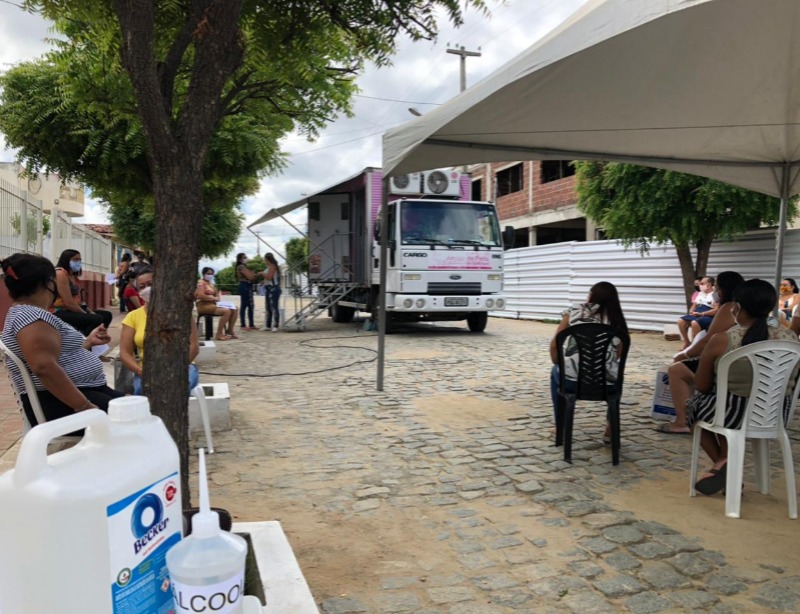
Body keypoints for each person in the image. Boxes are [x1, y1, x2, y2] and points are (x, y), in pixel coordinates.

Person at [688, 278, 800, 495]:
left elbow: (701, 385)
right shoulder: (791, 339)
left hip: (732, 414)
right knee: (721, 402)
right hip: (775, 413)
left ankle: (726, 464)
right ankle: (725, 464)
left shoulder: (723, 339)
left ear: (737, 307)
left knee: (694, 406)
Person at [0, 253, 124, 426]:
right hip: (63, 403)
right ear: (46, 283)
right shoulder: (32, 318)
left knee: (140, 407)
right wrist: (85, 407)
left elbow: (55, 354)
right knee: (140, 418)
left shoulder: (26, 313)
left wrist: (87, 342)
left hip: (79, 393)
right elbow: (44, 367)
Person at [660, 271, 745, 434]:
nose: (715, 291)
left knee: (676, 369)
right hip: (737, 361)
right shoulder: (744, 308)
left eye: (717, 287)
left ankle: (683, 421)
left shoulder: (729, 308)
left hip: (726, 364)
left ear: (724, 289)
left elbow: (708, 340)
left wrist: (684, 355)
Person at [548, 281, 628, 443]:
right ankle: (610, 428)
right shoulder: (617, 319)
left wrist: (558, 363)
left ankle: (560, 427)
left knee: (555, 372)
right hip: (606, 385)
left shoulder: (574, 311)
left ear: (591, 296)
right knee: (617, 375)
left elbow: (555, 344)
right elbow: (618, 355)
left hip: (572, 382)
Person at [120, 268, 200, 395]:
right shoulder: (132, 317)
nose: (147, 289)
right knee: (142, 392)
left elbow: (194, 346)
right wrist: (139, 370)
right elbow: (125, 353)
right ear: (138, 292)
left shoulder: (181, 312)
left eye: (151, 284)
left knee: (176, 389)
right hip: (146, 370)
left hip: (182, 366)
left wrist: (176, 368)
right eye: (142, 287)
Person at [52, 249, 113, 337]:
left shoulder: (72, 276)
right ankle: (82, 341)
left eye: (80, 260)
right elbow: (68, 303)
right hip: (60, 311)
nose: (78, 262)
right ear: (66, 260)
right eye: (75, 260)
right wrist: (85, 313)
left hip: (72, 310)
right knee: (96, 319)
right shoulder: (60, 274)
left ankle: (96, 340)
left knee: (106, 315)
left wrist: (89, 310)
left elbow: (78, 300)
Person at [195, 266, 238, 340]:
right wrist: (212, 298)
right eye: (208, 273)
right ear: (203, 274)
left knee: (235, 308)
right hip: (203, 305)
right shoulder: (200, 283)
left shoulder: (211, 284)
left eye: (212, 274)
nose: (210, 275)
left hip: (213, 304)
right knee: (226, 311)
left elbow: (217, 294)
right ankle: (219, 333)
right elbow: (200, 295)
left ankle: (230, 330)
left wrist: (217, 297)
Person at [676, 276, 717, 348]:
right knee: (680, 321)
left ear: (709, 285)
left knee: (694, 323)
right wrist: (691, 311)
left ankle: (695, 346)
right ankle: (687, 342)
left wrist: (702, 314)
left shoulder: (715, 294)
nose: (700, 285)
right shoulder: (700, 293)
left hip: (708, 314)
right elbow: (694, 305)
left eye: (702, 283)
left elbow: (716, 310)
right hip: (699, 311)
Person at [235, 253, 256, 331]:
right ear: (240, 259)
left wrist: (251, 275)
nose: (246, 258)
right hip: (244, 286)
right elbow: (250, 277)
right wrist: (251, 274)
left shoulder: (245, 267)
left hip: (248, 286)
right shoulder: (241, 266)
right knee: (244, 305)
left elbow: (252, 276)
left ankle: (251, 324)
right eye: (244, 257)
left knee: (250, 305)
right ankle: (243, 324)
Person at [260, 253, 281, 332]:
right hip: (268, 288)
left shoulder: (272, 266)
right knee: (268, 307)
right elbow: (269, 278)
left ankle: (275, 325)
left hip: (273, 288)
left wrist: (262, 273)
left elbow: (269, 277)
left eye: (265, 259)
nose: (264, 261)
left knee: (274, 307)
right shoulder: (268, 267)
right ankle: (268, 325)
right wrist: (263, 281)